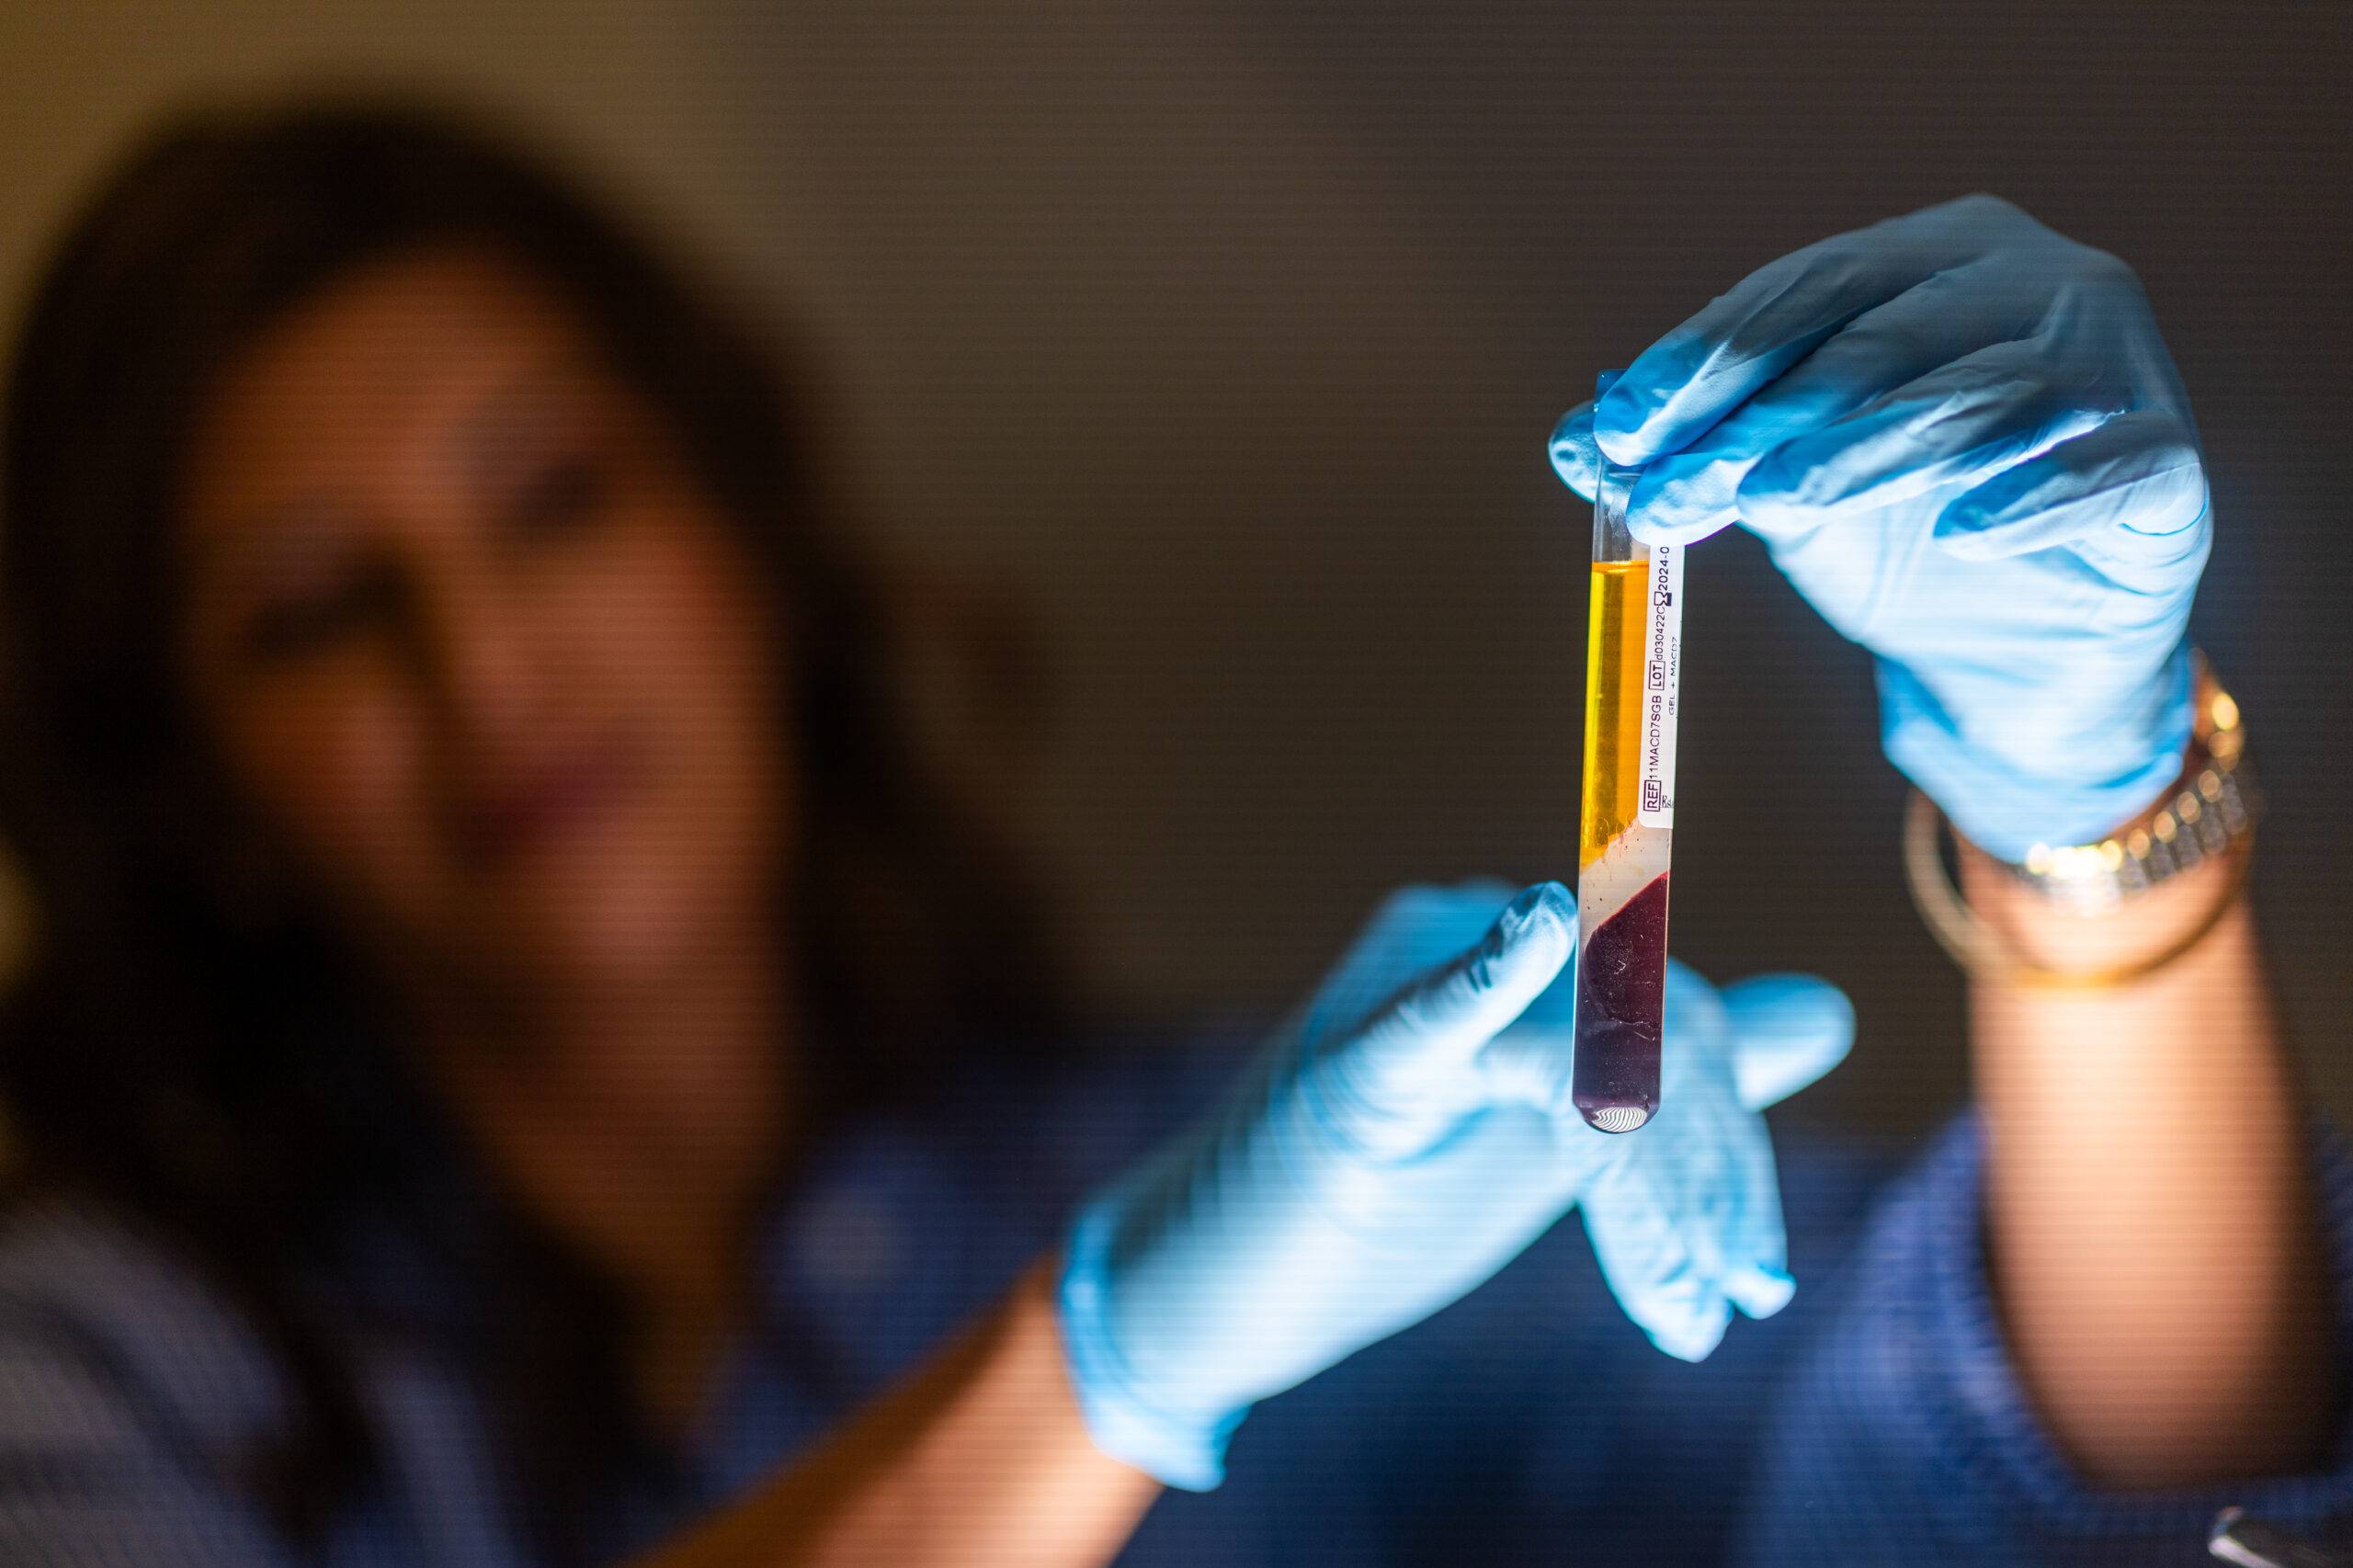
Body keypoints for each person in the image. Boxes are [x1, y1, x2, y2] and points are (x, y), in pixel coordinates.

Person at [0, 97, 2341, 1567]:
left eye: (555, 495)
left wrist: (2085, 796)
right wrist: (1105, 1359)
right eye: (315, 609)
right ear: (183, 772)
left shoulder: (1337, 1149)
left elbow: (2106, 1459)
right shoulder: (99, 1374)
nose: (481, 662)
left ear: (740, 543)